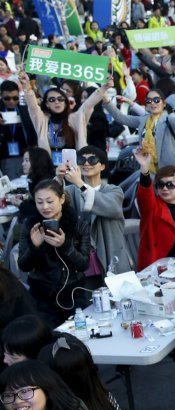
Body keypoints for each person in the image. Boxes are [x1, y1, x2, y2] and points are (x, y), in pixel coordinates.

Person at [17, 180, 93, 326]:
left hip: (73, 294)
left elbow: (84, 264)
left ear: (62, 199)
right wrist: (35, 247)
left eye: (49, 201)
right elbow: (23, 265)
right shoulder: (31, 225)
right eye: (39, 202)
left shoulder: (78, 225)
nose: (45, 207)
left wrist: (65, 246)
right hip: (42, 296)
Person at [59, 145, 130, 275]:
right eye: (81, 160)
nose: (86, 163)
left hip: (111, 254)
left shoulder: (113, 190)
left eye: (92, 160)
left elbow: (111, 207)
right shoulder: (71, 191)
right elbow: (54, 200)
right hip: (84, 258)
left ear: (102, 166)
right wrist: (58, 178)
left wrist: (79, 183)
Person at [133, 148, 175, 269]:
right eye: (161, 184)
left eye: (170, 184)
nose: (165, 188)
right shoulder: (152, 207)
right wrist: (145, 169)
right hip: (155, 266)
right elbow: (144, 195)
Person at [18, 72, 103, 163]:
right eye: (52, 99)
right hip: (49, 168)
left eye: (60, 99)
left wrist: (104, 87)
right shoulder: (42, 119)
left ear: (65, 102)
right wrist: (26, 86)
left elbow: (89, 104)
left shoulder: (75, 118)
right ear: (47, 104)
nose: (56, 102)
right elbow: (32, 106)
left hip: (73, 169)